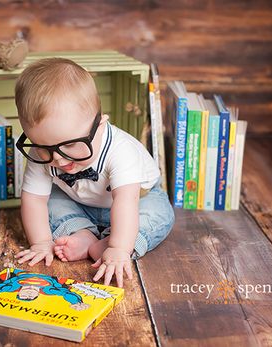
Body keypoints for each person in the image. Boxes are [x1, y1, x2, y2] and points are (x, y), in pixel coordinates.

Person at [14, 58, 174, 287]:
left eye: (70, 145)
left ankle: (112, 242)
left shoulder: (121, 151)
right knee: (51, 203)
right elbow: (34, 200)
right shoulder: (45, 154)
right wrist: (40, 242)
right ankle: (82, 234)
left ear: (99, 126)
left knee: (159, 215)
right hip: (78, 200)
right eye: (43, 147)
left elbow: (126, 202)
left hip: (136, 200)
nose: (57, 158)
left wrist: (118, 248)